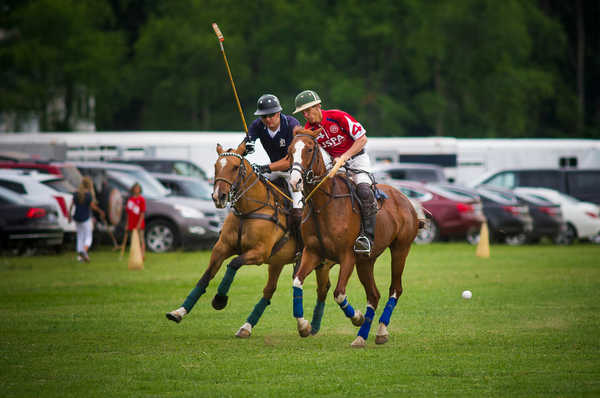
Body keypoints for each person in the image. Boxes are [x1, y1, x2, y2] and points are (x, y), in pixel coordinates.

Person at [293, 89, 377, 255]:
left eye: (309, 110)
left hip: (357, 158)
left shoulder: (337, 117)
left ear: (318, 106)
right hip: (334, 163)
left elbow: (362, 139)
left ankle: (367, 237)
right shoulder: (309, 129)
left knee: (364, 190)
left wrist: (345, 157)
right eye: (304, 112)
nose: (307, 115)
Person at [246, 93, 308, 253]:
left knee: (298, 212)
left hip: (293, 173)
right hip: (274, 171)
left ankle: (301, 251)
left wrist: (265, 168)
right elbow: (245, 143)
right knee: (249, 190)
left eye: (271, 115)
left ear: (279, 112)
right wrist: (244, 148)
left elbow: (290, 160)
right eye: (264, 116)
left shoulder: (292, 125)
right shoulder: (257, 126)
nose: (268, 119)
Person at [68, 176, 105, 262]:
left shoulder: (76, 194)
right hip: (85, 218)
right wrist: (100, 211)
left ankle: (80, 256)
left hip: (76, 217)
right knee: (88, 237)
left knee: (80, 236)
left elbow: (71, 206)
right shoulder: (88, 195)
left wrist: (69, 216)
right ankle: (84, 251)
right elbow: (92, 206)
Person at [121, 182, 146, 258]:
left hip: (139, 223)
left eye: (138, 189)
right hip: (131, 222)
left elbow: (142, 213)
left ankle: (142, 254)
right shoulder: (130, 200)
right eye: (135, 188)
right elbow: (128, 213)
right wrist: (127, 224)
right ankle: (135, 254)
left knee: (141, 239)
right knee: (133, 239)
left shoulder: (141, 199)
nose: (136, 190)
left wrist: (139, 224)